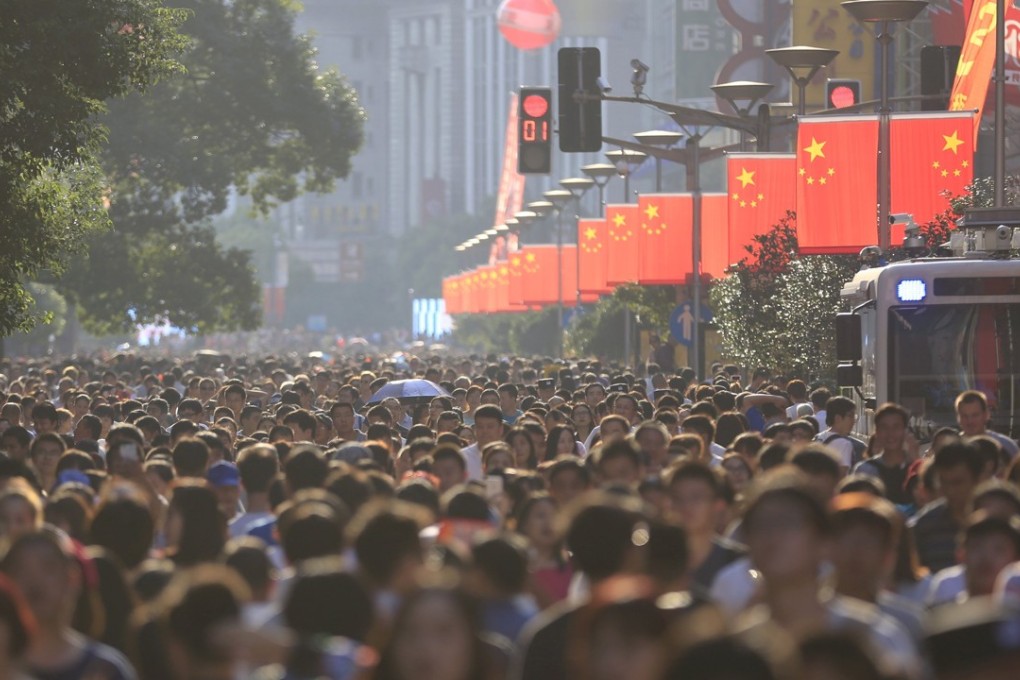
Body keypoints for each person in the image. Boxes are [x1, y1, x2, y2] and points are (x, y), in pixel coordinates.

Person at [738, 469, 921, 679]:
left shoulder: (875, 638)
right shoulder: (737, 645)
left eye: (788, 523)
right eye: (761, 524)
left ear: (824, 543)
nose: (773, 535)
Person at [1, 528, 137, 680]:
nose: (34, 581)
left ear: (73, 578)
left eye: (48, 568)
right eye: (21, 570)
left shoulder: (106, 669)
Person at [665, 460, 743, 593]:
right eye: (677, 498)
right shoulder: (651, 561)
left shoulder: (738, 565)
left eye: (696, 497)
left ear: (718, 505)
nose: (686, 506)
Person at [908, 442, 983, 573]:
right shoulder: (923, 527)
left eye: (958, 482)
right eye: (944, 482)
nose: (950, 490)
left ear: (977, 480)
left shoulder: (997, 522)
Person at [853, 403, 918, 507]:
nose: (890, 433)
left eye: (896, 427)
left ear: (905, 430)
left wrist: (915, 460)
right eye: (884, 427)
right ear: (877, 432)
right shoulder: (866, 469)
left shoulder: (919, 467)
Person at [955, 390, 1019, 459]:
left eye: (975, 415)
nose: (970, 421)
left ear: (986, 415)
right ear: (958, 418)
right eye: (964, 416)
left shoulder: (1006, 446)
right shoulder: (951, 449)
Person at [815, 396, 866, 473]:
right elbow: (842, 475)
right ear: (838, 418)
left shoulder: (818, 437)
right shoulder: (845, 443)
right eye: (850, 416)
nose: (853, 421)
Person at [461, 406, 503, 481]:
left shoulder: (510, 456)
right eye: (480, 426)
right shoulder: (462, 457)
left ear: (500, 429)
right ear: (474, 429)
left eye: (490, 427)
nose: (485, 431)